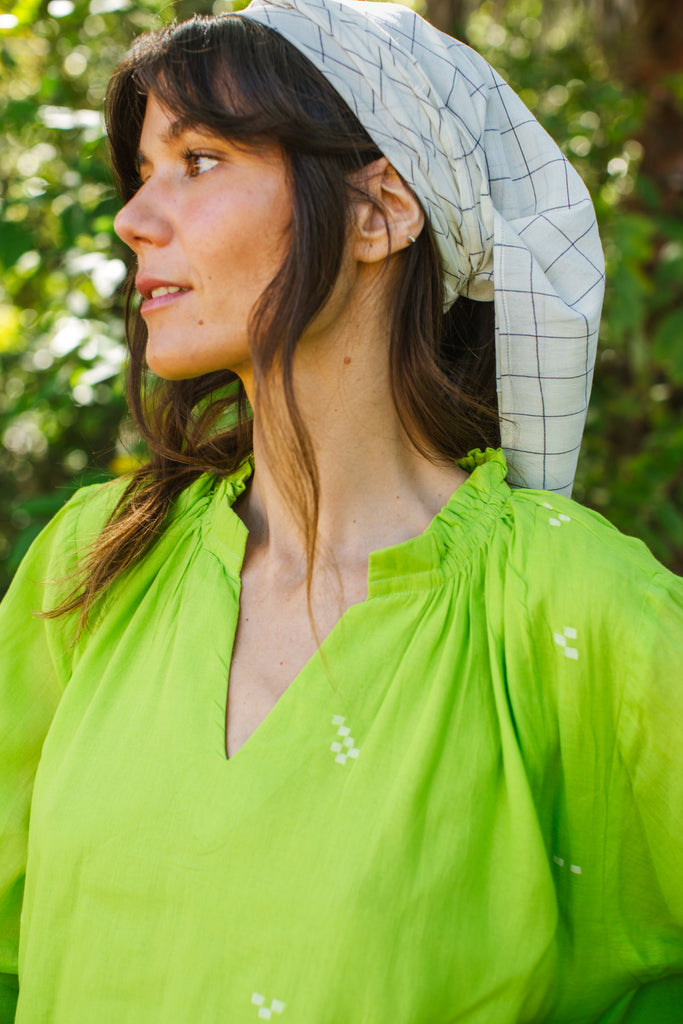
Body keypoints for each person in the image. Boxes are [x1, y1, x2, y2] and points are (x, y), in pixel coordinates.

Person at [1, 0, 681, 1020]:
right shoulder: (92, 562)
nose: (132, 219)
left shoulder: (571, 610)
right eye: (142, 171)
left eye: (198, 161)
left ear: (379, 212)